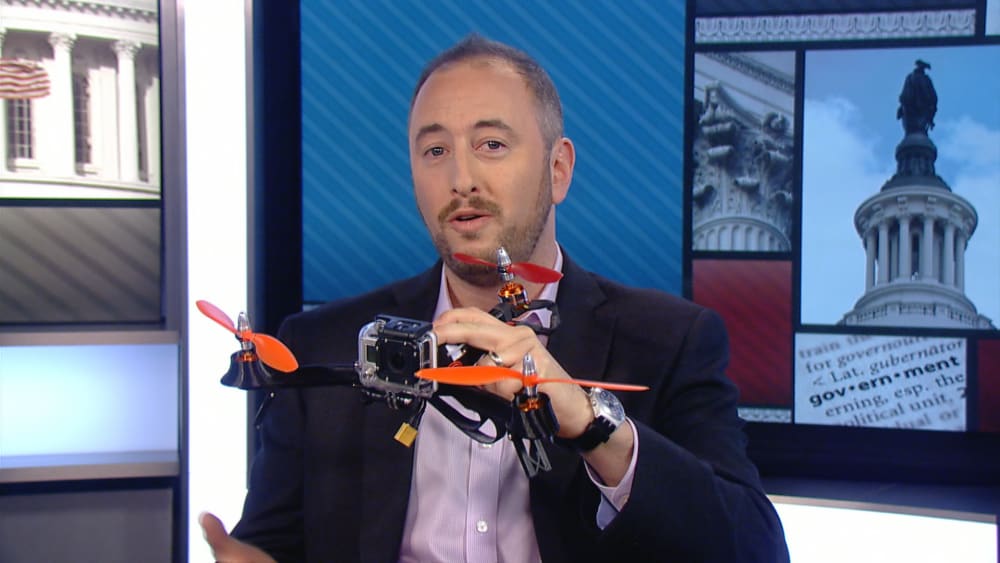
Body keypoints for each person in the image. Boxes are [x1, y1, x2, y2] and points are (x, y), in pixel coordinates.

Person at [201, 34, 789, 562]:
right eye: (435, 151)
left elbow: (755, 551)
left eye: (491, 144)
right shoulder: (320, 344)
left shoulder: (669, 341)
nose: (461, 179)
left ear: (558, 170)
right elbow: (270, 547)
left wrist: (591, 424)